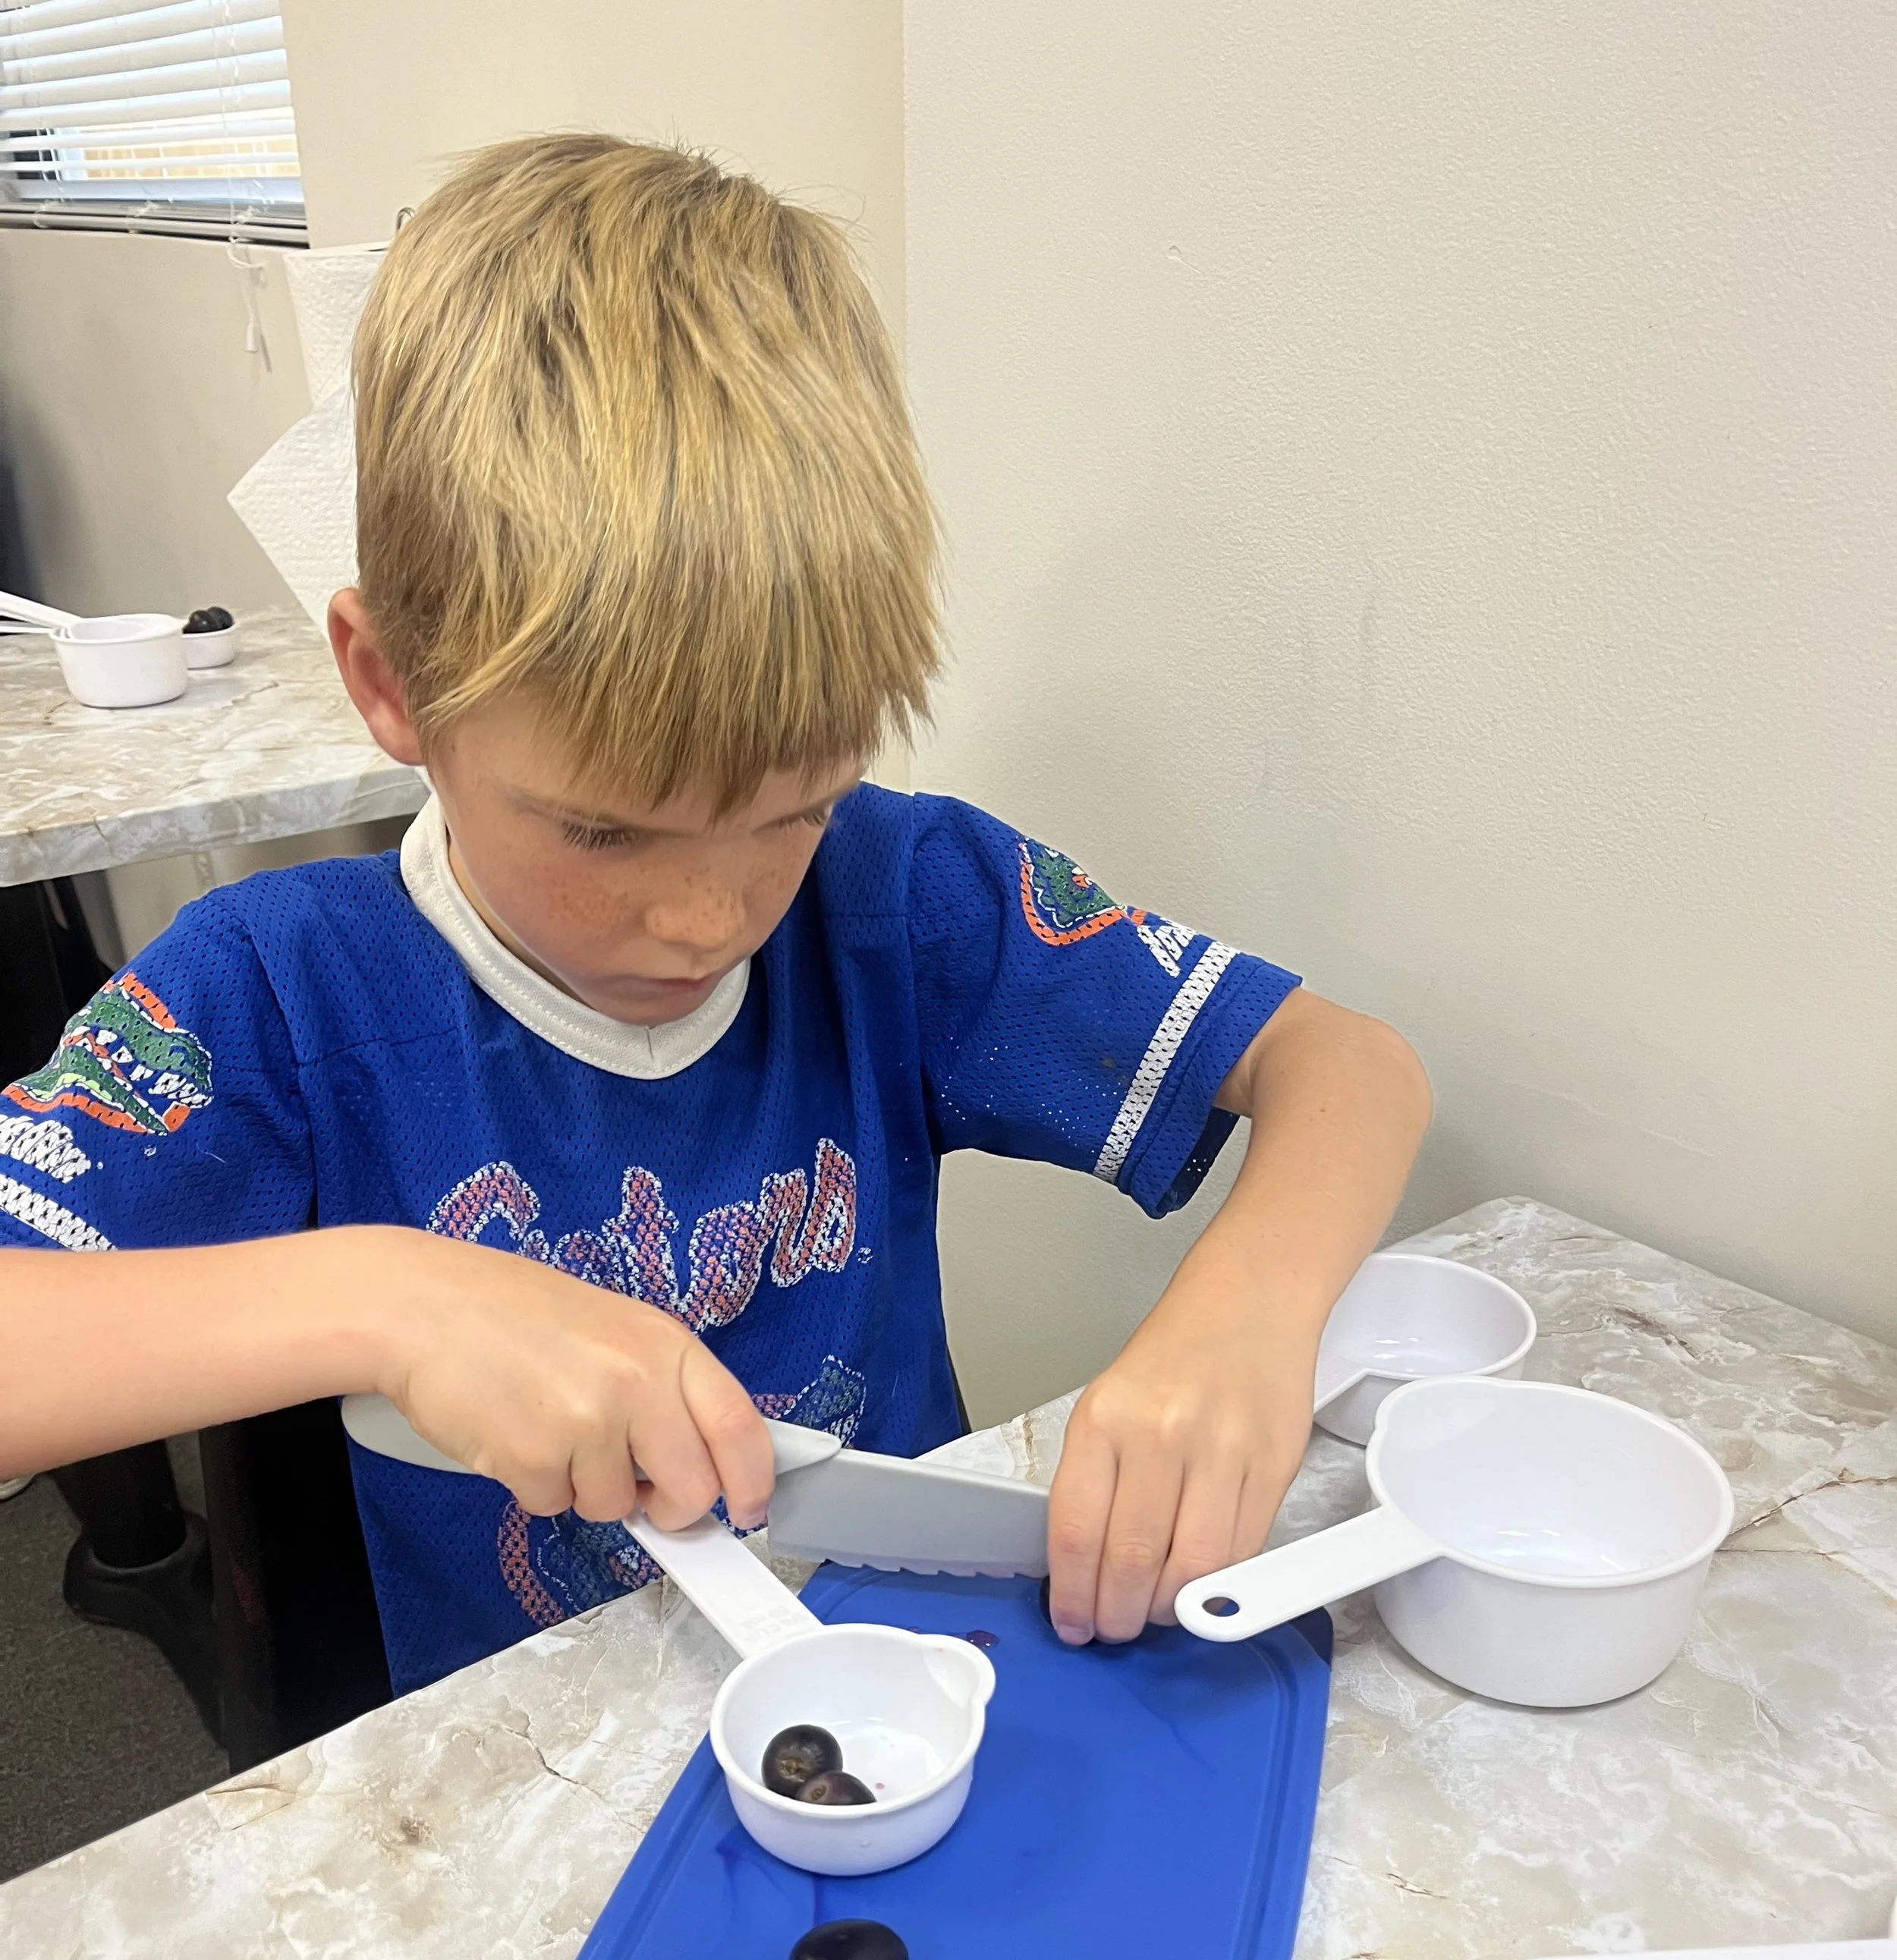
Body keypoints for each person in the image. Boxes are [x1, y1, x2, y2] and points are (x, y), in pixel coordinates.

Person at [0, 134, 1430, 1694]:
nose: (706, 914)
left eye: (792, 805)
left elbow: (1347, 1068)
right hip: (536, 1769)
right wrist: (388, 1297)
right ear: (389, 686)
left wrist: (1242, 1315)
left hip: (895, 1686)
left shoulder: (893, 902)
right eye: (604, 829)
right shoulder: (276, 996)